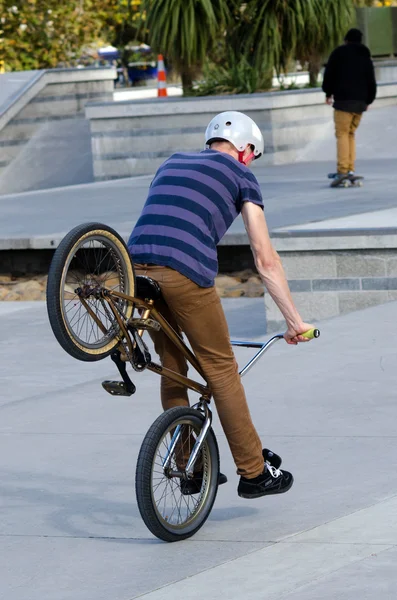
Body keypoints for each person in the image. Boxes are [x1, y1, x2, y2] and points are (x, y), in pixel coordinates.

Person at [128, 111, 315, 499]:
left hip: (135, 269)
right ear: (246, 149)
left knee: (174, 369)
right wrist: (294, 321)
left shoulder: (173, 161)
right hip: (184, 272)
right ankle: (254, 471)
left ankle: (189, 469)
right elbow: (265, 258)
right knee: (220, 367)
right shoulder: (242, 174)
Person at [322, 28, 377, 184]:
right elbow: (370, 78)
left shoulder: (339, 53)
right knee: (350, 134)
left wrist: (328, 93)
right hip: (360, 103)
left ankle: (343, 170)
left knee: (342, 134)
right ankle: (350, 168)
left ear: (346, 40)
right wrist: (368, 100)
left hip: (343, 102)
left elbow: (329, 74)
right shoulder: (365, 55)